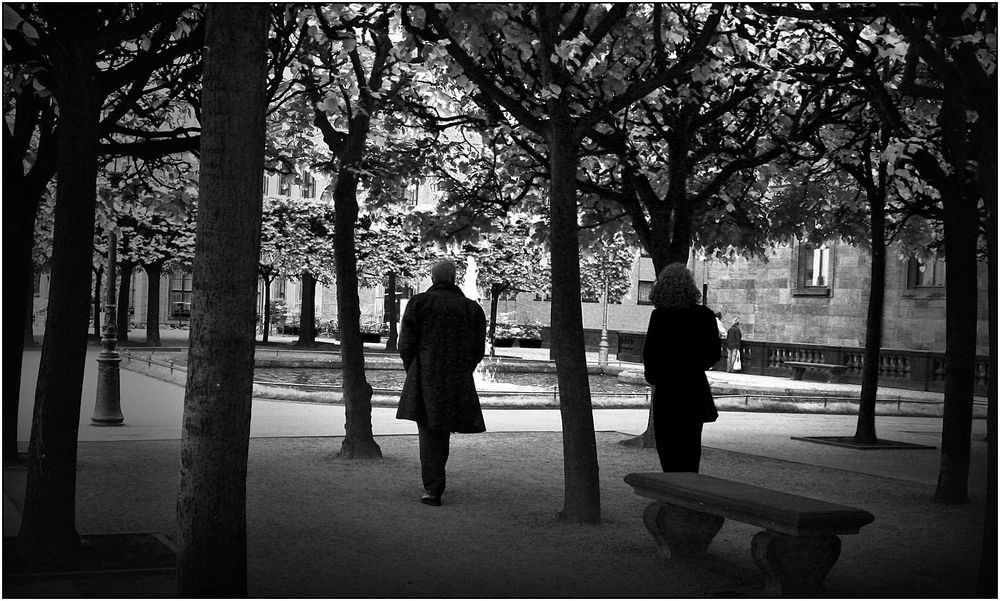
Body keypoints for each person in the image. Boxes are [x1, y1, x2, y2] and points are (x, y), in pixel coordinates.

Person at [396, 260, 487, 506]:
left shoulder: (419, 304)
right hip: (456, 378)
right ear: (454, 278)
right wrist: (463, 369)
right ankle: (436, 483)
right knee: (442, 429)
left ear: (433, 278)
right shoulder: (471, 309)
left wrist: (414, 369)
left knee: (429, 431)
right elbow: (478, 349)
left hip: (426, 375)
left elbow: (405, 344)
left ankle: (433, 487)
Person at [642, 264, 721, 472]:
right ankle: (688, 494)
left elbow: (650, 356)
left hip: (668, 391)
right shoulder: (705, 315)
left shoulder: (660, 317)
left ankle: (671, 497)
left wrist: (657, 376)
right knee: (690, 449)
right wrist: (693, 365)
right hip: (694, 389)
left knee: (668, 451)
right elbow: (713, 354)